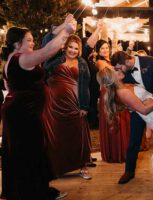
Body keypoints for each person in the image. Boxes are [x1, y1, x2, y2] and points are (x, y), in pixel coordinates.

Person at [1, 16, 75, 199]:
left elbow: (10, 86)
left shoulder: (12, 59)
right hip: (23, 114)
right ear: (17, 44)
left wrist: (60, 28)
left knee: (26, 150)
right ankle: (32, 193)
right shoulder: (22, 58)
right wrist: (66, 30)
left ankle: (28, 190)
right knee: (29, 151)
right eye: (29, 40)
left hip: (22, 111)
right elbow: (48, 51)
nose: (33, 43)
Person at [42, 16, 92, 180]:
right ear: (64, 47)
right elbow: (46, 42)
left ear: (79, 50)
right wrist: (64, 26)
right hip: (53, 105)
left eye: (76, 48)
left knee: (78, 135)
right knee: (56, 136)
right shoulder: (55, 59)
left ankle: (83, 166)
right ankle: (56, 168)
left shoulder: (82, 63)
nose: (72, 50)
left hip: (74, 104)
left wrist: (84, 106)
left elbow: (85, 86)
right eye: (70, 47)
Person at [110, 51, 153, 184]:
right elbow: (122, 90)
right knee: (134, 139)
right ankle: (129, 171)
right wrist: (129, 105)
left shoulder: (149, 61)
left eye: (119, 67)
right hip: (138, 109)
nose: (118, 71)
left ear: (126, 61)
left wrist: (152, 99)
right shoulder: (123, 72)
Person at [95, 39, 130, 163]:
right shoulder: (100, 62)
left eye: (106, 47)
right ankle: (113, 153)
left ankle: (122, 150)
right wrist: (119, 66)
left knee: (120, 119)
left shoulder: (111, 61)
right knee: (112, 119)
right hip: (108, 91)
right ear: (98, 51)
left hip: (117, 90)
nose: (105, 50)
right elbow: (111, 72)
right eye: (102, 48)